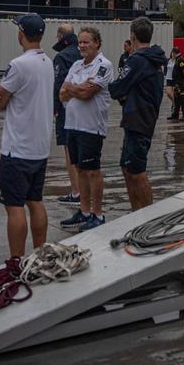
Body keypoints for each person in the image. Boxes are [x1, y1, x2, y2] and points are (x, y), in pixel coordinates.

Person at [0, 14, 54, 257]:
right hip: (39, 147)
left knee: (14, 206)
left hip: (17, 147)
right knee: (35, 200)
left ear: (21, 34)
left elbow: (0, 101)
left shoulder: (18, 64)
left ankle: (15, 261)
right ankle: (39, 254)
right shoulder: (47, 61)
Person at [58, 26, 113, 231]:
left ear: (97, 43)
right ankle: (84, 212)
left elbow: (87, 94)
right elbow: (62, 94)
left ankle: (97, 214)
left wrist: (73, 89)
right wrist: (76, 89)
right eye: (80, 42)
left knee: (92, 171)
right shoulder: (76, 65)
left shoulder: (103, 65)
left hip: (91, 127)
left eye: (86, 42)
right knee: (80, 169)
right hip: (72, 124)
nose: (82, 46)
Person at [107, 16, 166, 210]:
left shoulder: (137, 60)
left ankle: (147, 215)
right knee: (127, 167)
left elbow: (116, 88)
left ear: (132, 37)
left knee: (137, 171)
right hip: (142, 117)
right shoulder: (154, 59)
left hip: (138, 120)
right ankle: (136, 212)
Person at [51, 24, 83, 206]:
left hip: (66, 109)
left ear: (62, 37)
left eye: (57, 36)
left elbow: (59, 84)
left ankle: (76, 192)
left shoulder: (61, 56)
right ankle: (83, 193)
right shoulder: (83, 54)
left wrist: (55, 106)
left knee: (69, 152)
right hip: (84, 109)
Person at [169, 46, 184, 120]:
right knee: (177, 98)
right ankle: (175, 115)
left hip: (181, 83)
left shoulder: (180, 60)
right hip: (177, 83)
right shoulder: (178, 59)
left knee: (182, 99)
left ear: (174, 53)